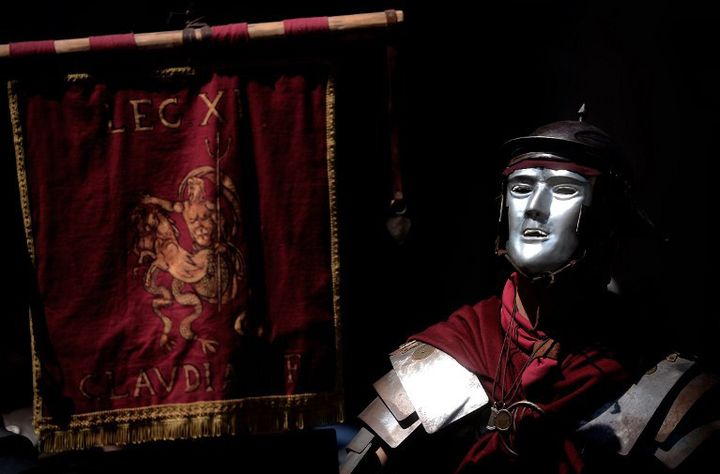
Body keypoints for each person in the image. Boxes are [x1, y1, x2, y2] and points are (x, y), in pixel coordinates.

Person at [340, 115, 718, 474]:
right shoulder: (458, 346)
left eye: (565, 190)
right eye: (521, 188)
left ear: (605, 216)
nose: (535, 208)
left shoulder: (652, 370)